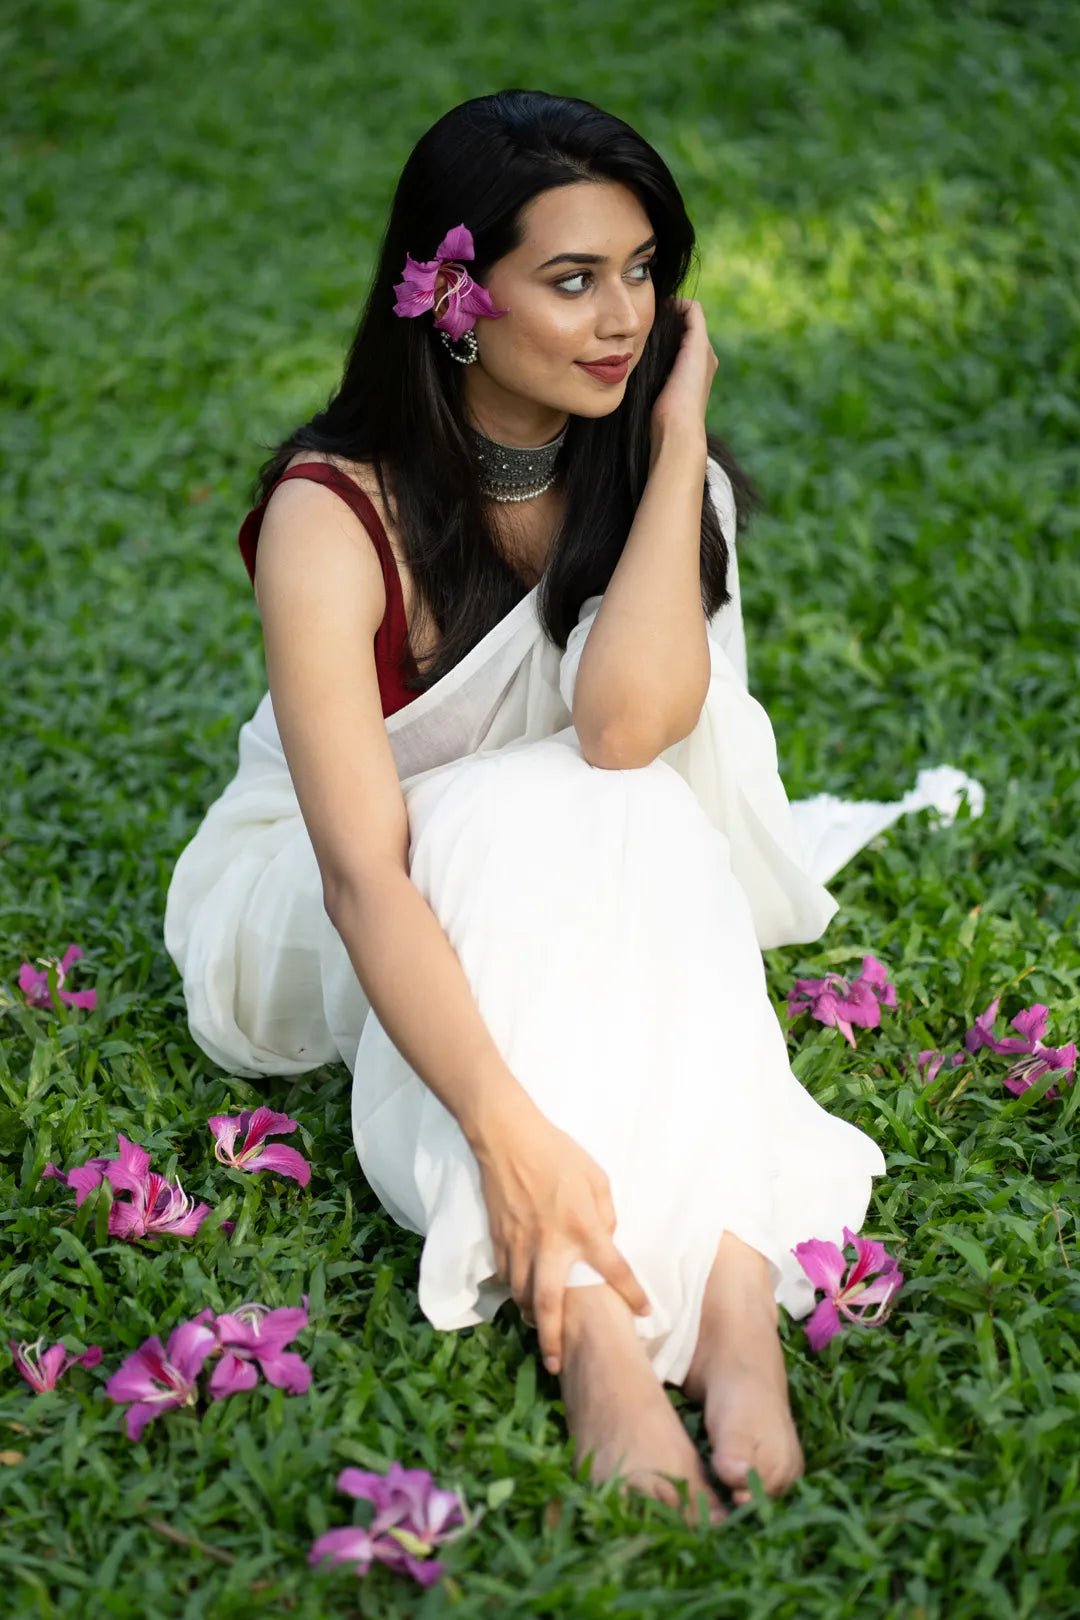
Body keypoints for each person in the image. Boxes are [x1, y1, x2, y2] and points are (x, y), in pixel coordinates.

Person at [165, 89, 970, 1520]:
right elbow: (363, 875)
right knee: (503, 804)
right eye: (575, 279)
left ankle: (728, 1294)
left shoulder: (657, 470)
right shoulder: (330, 511)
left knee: (623, 802)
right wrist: (510, 1139)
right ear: (457, 301)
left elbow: (619, 733)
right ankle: (595, 1319)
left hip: (594, 849)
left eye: (647, 270)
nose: (624, 317)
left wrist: (677, 453)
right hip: (333, 903)